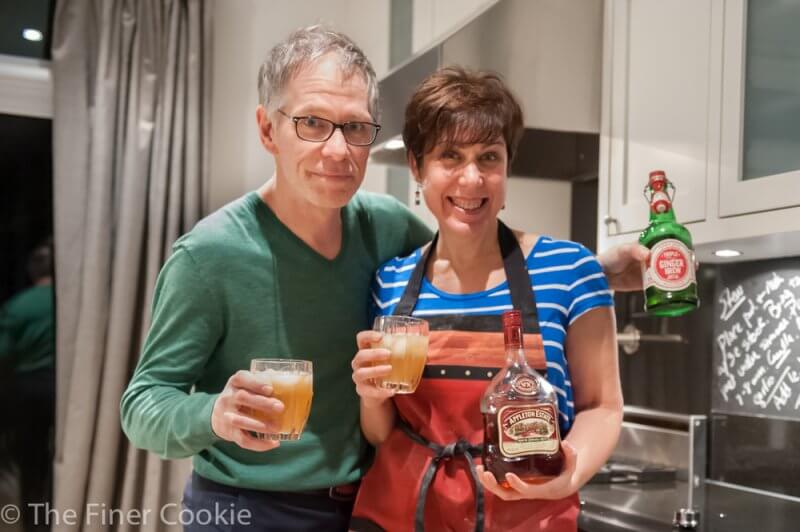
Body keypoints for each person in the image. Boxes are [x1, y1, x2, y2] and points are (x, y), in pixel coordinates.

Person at [119, 24, 651, 532]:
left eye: (354, 127)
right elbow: (142, 404)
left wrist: (592, 273)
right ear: (267, 129)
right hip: (255, 507)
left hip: (366, 503)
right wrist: (216, 412)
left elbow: (471, 253)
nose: (337, 150)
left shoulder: (386, 229)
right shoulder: (210, 255)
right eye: (312, 123)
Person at [349, 68, 624, 532]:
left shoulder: (571, 270)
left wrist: (569, 475)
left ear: (507, 166)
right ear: (417, 167)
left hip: (528, 517)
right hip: (400, 517)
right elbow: (382, 433)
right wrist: (370, 396)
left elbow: (603, 406)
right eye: (449, 156)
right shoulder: (391, 281)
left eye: (489, 157)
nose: (471, 179)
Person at [0, 239, 56, 531]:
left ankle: (34, 520)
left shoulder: (18, 306)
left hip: (27, 388)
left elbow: (4, 354)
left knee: (31, 455)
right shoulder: (69, 302)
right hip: (62, 388)